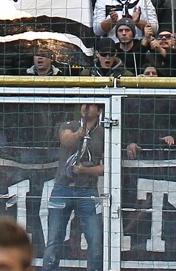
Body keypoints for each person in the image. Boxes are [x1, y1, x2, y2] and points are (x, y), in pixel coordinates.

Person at [41, 103, 104, 271]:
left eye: (91, 105)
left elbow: (107, 166)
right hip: (63, 187)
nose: (86, 107)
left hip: (88, 190)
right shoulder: (70, 125)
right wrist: (80, 133)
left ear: (99, 110)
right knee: (54, 241)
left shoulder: (104, 132)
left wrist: (86, 170)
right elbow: (66, 140)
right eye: (84, 104)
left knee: (96, 243)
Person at [93, 0, 159, 41]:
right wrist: (111, 21)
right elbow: (97, 30)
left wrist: (138, 22)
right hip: (113, 47)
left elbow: (155, 28)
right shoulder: (103, 1)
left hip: (139, 46)